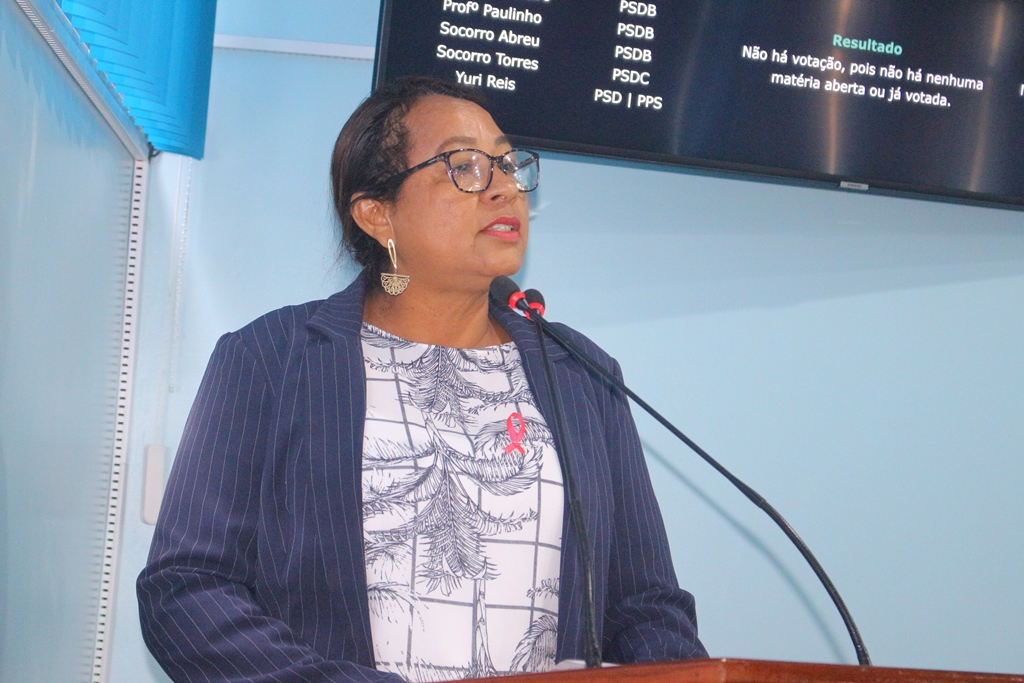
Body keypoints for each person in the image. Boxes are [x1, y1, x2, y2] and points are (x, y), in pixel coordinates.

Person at [137, 76, 707, 683]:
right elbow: (188, 588)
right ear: (377, 213)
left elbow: (644, 603)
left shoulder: (581, 374)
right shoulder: (272, 360)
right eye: (465, 166)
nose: (505, 188)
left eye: (508, 164)